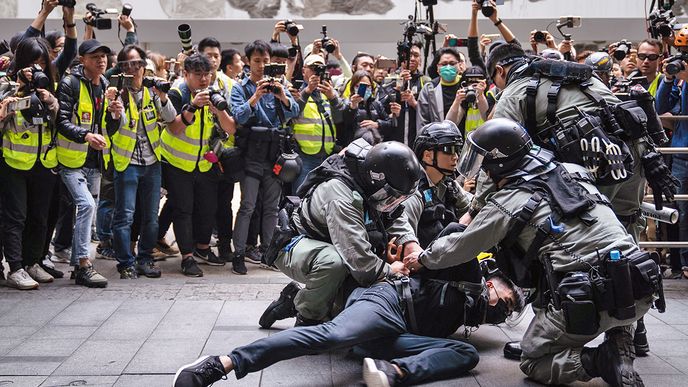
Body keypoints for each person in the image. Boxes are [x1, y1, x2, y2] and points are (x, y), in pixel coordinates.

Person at [405, 118, 661, 386]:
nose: (483, 171)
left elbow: (462, 246)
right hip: (640, 285)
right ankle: (621, 334)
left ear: (499, 162)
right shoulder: (572, 171)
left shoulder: (509, 200)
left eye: (484, 162)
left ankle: (601, 359)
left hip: (589, 297)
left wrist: (422, 259)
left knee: (532, 361)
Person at [486, 42, 676, 358]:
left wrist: (484, 207)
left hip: (588, 168)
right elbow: (627, 116)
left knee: (550, 245)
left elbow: (495, 146)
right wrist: (651, 158)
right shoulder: (579, 76)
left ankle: (545, 333)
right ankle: (629, 334)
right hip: (629, 162)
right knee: (624, 242)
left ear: (500, 71)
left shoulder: (517, 89)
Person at [173, 261, 528, 387]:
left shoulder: (469, 321)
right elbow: (455, 231)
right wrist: (475, 284)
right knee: (333, 335)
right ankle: (222, 363)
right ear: (492, 281)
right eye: (505, 299)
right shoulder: (465, 275)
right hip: (386, 302)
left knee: (465, 354)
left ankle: (394, 373)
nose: (501, 311)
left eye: (508, 312)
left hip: (392, 335)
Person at [259, 139, 421, 328]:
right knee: (334, 263)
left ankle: (299, 300)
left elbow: (394, 212)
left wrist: (411, 244)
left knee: (347, 314)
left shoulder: (373, 175)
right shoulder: (341, 194)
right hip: (295, 244)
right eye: (393, 196)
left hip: (333, 243)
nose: (394, 201)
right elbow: (359, 261)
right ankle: (307, 317)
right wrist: (390, 270)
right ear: (377, 180)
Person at [161, 53, 236, 277]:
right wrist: (192, 106)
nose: (204, 80)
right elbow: (174, 128)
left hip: (204, 164)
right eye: (198, 75)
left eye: (207, 74)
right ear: (186, 74)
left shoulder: (215, 95)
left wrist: (218, 110)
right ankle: (187, 257)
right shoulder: (177, 93)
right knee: (183, 209)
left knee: (207, 208)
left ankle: (202, 248)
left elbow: (231, 129)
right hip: (177, 162)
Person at [107, 45, 177, 279]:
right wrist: (114, 109)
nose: (135, 69)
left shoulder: (151, 92)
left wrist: (163, 95)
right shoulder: (115, 93)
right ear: (121, 68)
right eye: (128, 65)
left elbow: (170, 118)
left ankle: (145, 258)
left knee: (150, 218)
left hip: (152, 162)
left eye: (138, 64)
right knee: (125, 216)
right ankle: (125, 262)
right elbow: (111, 123)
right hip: (126, 162)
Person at [230, 40, 299, 275]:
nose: (261, 66)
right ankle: (238, 253)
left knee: (271, 207)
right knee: (247, 206)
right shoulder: (240, 87)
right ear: (248, 62)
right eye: (257, 61)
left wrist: (282, 96)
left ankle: (268, 252)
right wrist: (256, 97)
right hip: (251, 155)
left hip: (274, 155)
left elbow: (295, 111)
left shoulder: (279, 86)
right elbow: (238, 116)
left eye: (265, 61)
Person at [0, 38, 60, 289]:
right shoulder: (5, 85)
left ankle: (32, 261)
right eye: (32, 64)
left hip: (44, 161)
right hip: (13, 161)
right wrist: (17, 93)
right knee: (16, 217)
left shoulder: (48, 86)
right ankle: (15, 267)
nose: (37, 69)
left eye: (42, 63)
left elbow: (59, 121)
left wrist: (51, 102)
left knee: (40, 216)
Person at [56, 40, 115, 288]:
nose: (101, 60)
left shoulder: (105, 85)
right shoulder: (70, 84)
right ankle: (82, 264)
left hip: (94, 161)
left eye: (104, 56)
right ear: (82, 60)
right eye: (95, 57)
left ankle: (76, 264)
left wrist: (116, 114)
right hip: (70, 159)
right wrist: (86, 136)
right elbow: (60, 121)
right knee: (87, 205)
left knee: (86, 212)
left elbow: (109, 128)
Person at [405, 121, 470, 248]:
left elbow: (471, 208)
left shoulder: (449, 184)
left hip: (445, 256)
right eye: (448, 150)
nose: (455, 156)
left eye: (457, 150)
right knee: (455, 229)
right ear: (427, 156)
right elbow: (407, 241)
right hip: (422, 260)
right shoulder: (412, 192)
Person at [292, 54, 345, 189]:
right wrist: (308, 90)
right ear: (304, 70)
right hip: (304, 157)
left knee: (322, 198)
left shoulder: (329, 92)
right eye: (313, 68)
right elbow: (294, 113)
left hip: (327, 156)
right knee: (299, 196)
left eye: (320, 68)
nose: (317, 71)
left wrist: (333, 98)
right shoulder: (296, 91)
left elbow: (340, 119)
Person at [342, 70, 395, 147]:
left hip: (375, 146)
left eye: (368, 86)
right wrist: (353, 106)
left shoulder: (376, 104)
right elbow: (345, 125)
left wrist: (378, 124)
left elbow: (390, 124)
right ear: (353, 87)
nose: (364, 89)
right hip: (353, 147)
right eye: (359, 86)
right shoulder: (346, 103)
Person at [416, 47, 466, 128]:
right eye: (444, 64)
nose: (448, 67)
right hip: (438, 138)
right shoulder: (429, 89)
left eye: (452, 63)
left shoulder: (466, 84)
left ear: (459, 65)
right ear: (438, 68)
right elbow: (422, 121)